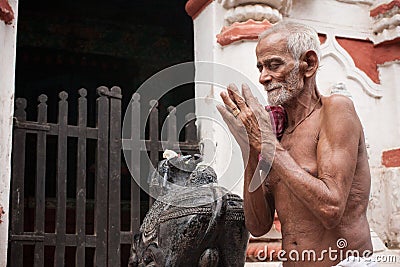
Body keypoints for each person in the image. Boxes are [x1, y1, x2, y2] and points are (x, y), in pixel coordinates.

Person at [216, 21, 374, 266]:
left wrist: (267, 143)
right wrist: (249, 146)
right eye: (260, 67)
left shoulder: (335, 110)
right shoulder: (278, 130)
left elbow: (331, 209)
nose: (263, 77)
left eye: (274, 65)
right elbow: (258, 226)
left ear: (308, 64)